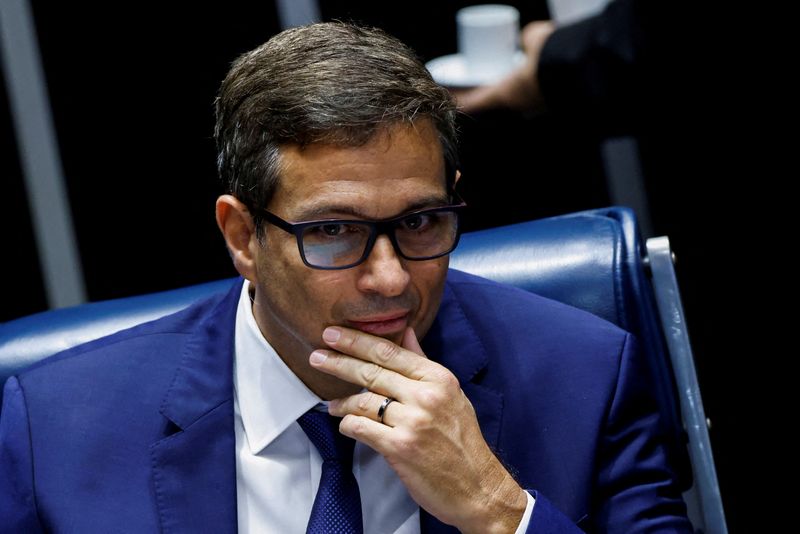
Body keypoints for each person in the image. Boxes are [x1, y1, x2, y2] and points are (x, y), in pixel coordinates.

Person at [0, 22, 691, 533]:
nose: (391, 280)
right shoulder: (58, 426)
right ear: (242, 237)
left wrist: (498, 509)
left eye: (420, 222)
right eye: (334, 232)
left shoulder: (584, 374)